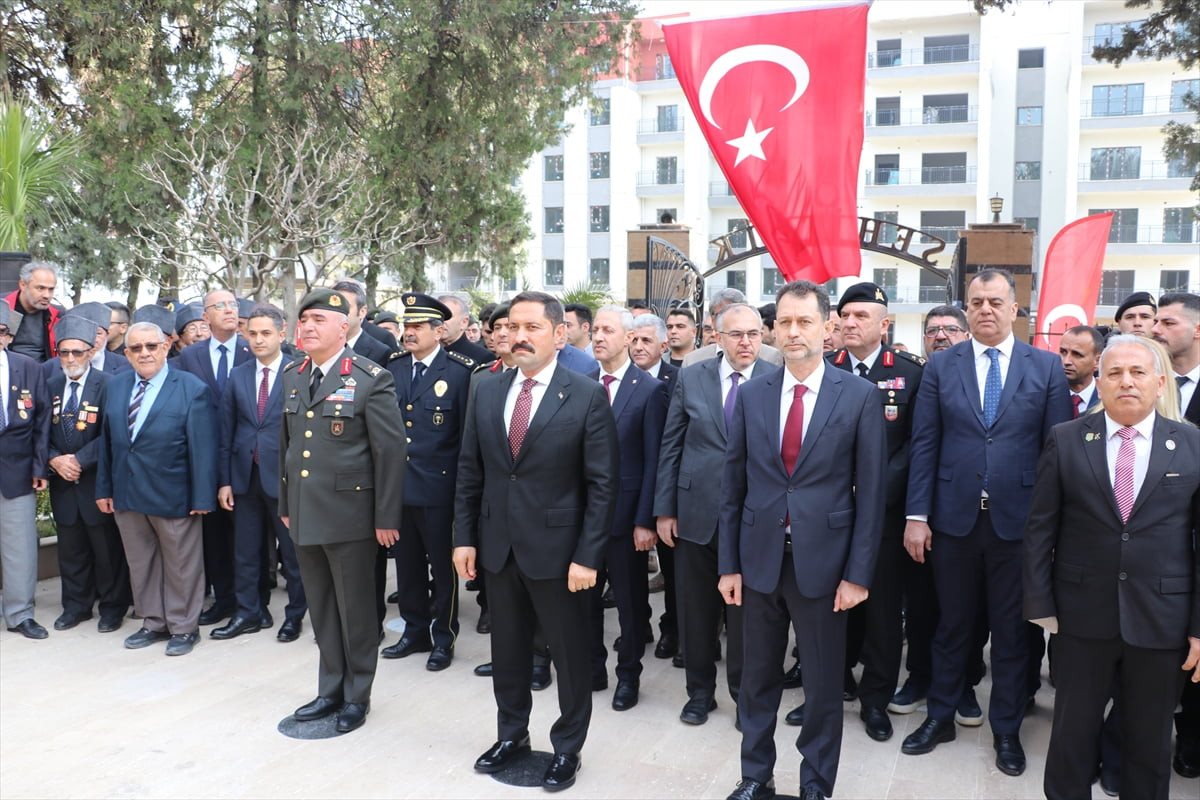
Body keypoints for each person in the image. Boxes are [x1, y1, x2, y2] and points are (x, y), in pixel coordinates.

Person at [901, 269, 1073, 776]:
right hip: (952, 522)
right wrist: (917, 515)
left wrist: (1053, 532)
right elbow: (925, 443)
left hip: (1018, 528)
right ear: (966, 307)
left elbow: (1055, 454)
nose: (985, 310)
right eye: (976, 302)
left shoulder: (1044, 368)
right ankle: (940, 716)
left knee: (1012, 635)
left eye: (995, 301)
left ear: (1015, 308)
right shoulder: (941, 367)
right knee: (951, 626)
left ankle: (1005, 730)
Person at [719, 280, 886, 800]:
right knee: (756, 680)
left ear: (827, 327)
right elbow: (734, 486)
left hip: (825, 565)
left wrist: (858, 575)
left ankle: (816, 784)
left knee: (820, 686)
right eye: (785, 322)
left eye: (805, 321)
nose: (793, 332)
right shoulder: (752, 393)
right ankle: (754, 775)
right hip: (758, 560)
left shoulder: (858, 395)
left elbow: (873, 495)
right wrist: (728, 565)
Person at [453, 291, 618, 792]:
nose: (518, 336)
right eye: (512, 326)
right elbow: (469, 470)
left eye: (532, 328)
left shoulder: (585, 393)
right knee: (507, 651)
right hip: (498, 547)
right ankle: (511, 735)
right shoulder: (485, 389)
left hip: (562, 554)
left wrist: (588, 555)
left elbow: (603, 483)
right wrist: (464, 538)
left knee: (569, 657)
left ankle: (568, 747)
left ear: (558, 334)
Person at [1024, 334, 1200, 800]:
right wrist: (1042, 607)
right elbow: (1041, 529)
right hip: (1081, 619)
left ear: (1159, 382)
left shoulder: (1191, 443)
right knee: (1070, 740)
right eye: (1114, 373)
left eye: (1138, 372)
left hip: (1162, 622)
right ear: (1098, 382)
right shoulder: (1066, 439)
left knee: (1148, 745)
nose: (1126, 382)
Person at [279, 288, 406, 734]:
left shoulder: (370, 377)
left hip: (351, 515)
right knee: (322, 608)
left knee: (355, 611)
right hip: (305, 512)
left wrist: (386, 517)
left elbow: (390, 452)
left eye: (318, 320)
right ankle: (329, 687)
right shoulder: (294, 374)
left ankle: (357, 695)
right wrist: (286, 504)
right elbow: (288, 447)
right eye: (303, 319)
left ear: (342, 326)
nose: (308, 327)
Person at [655, 303, 770, 727]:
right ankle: (699, 693)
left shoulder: (775, 380)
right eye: (736, 334)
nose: (746, 342)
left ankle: (743, 696)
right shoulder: (692, 376)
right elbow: (671, 444)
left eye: (754, 334)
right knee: (696, 611)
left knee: (746, 617)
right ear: (717, 338)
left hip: (751, 518)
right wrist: (664, 509)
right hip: (694, 514)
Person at [821, 282, 925, 744]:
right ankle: (827, 690)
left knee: (882, 612)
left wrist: (875, 486)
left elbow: (916, 445)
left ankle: (875, 700)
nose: (850, 322)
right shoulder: (823, 370)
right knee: (828, 609)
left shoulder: (908, 372)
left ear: (884, 324)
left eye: (861, 315)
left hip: (883, 513)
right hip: (831, 511)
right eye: (845, 314)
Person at [96, 321, 217, 656]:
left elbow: (203, 448)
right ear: (127, 353)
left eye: (151, 346)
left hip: (174, 493)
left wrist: (202, 495)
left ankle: (183, 627)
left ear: (166, 346)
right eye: (136, 348)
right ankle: (153, 622)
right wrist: (105, 488)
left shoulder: (191, 388)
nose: (144, 353)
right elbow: (109, 443)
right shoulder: (117, 385)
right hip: (127, 493)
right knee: (141, 562)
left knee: (181, 564)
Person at [892, 301, 984, 717]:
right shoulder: (910, 376)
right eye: (932, 330)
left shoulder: (981, 377)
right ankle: (919, 677)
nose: (940, 336)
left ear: (966, 335)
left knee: (966, 608)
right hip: (915, 510)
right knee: (921, 601)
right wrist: (916, 513)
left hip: (966, 516)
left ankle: (963, 683)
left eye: (950, 328)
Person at [380, 293, 474, 671]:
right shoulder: (394, 368)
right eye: (407, 326)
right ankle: (414, 630)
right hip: (400, 488)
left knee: (442, 566)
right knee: (407, 568)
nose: (409, 333)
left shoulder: (460, 372)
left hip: (439, 490)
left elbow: (467, 438)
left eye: (418, 327)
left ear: (440, 331)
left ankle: (444, 637)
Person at [586, 306, 668, 711]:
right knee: (584, 599)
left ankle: (628, 674)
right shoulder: (581, 382)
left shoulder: (649, 390)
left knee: (631, 604)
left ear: (628, 338)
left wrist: (644, 520)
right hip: (583, 517)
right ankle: (594, 668)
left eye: (608, 330)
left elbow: (654, 460)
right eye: (595, 330)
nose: (598, 337)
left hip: (626, 517)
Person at [213, 304, 307, 643]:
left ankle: (294, 616)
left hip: (285, 479)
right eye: (251, 333)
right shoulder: (238, 375)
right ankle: (248, 613)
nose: (258, 339)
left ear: (282, 334)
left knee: (293, 555)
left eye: (266, 333)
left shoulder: (299, 372)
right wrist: (224, 480)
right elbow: (226, 431)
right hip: (244, 478)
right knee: (246, 551)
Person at [45, 315, 131, 633]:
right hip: (62, 484)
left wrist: (78, 459)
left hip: (97, 482)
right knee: (71, 549)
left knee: (106, 549)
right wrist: (54, 460)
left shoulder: (109, 384)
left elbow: (112, 434)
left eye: (77, 352)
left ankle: (112, 607)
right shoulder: (50, 385)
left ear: (91, 352)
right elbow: (39, 433)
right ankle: (76, 607)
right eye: (64, 352)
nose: (70, 359)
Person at [176, 288, 252, 626]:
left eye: (233, 305)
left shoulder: (254, 350)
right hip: (207, 460)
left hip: (248, 457)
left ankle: (254, 601)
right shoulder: (191, 357)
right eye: (219, 306)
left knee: (250, 535)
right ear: (205, 317)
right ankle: (223, 600)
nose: (228, 310)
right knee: (215, 536)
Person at [1150, 291, 1200, 779]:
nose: (1157, 329)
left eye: (1167, 322)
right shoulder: (1142, 385)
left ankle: (1190, 738)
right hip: (1151, 552)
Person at [0, 302, 51, 640]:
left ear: (8, 335)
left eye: (1, 331)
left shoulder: (28, 366)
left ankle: (20, 614)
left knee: (20, 547)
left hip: (16, 470)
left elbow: (42, 419)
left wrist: (38, 466)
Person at [683, 289, 782, 367]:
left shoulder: (772, 357)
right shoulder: (693, 360)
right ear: (712, 320)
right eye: (721, 315)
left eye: (736, 313)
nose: (729, 319)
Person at [41, 302, 131, 379]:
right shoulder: (51, 368)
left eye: (98, 333)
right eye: (82, 334)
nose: (91, 339)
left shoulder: (125, 366)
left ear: (107, 334)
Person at [4, 260, 62, 362]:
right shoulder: (3, 307)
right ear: (22, 285)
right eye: (40, 288)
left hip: (43, 373)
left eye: (51, 289)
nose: (47, 295)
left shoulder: (58, 315)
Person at [332, 279, 396, 366]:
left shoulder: (380, 352)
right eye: (333, 307)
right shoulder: (320, 345)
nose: (338, 312)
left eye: (346, 307)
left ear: (362, 311)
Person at [1059, 325, 1103, 415]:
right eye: (1063, 352)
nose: (1066, 361)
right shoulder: (1044, 397)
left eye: (1077, 355)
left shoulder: (1107, 401)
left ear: (1097, 361)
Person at [437, 293, 493, 363]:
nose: (440, 321)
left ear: (464, 322)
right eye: (437, 317)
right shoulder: (424, 353)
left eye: (447, 317)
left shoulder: (483, 357)